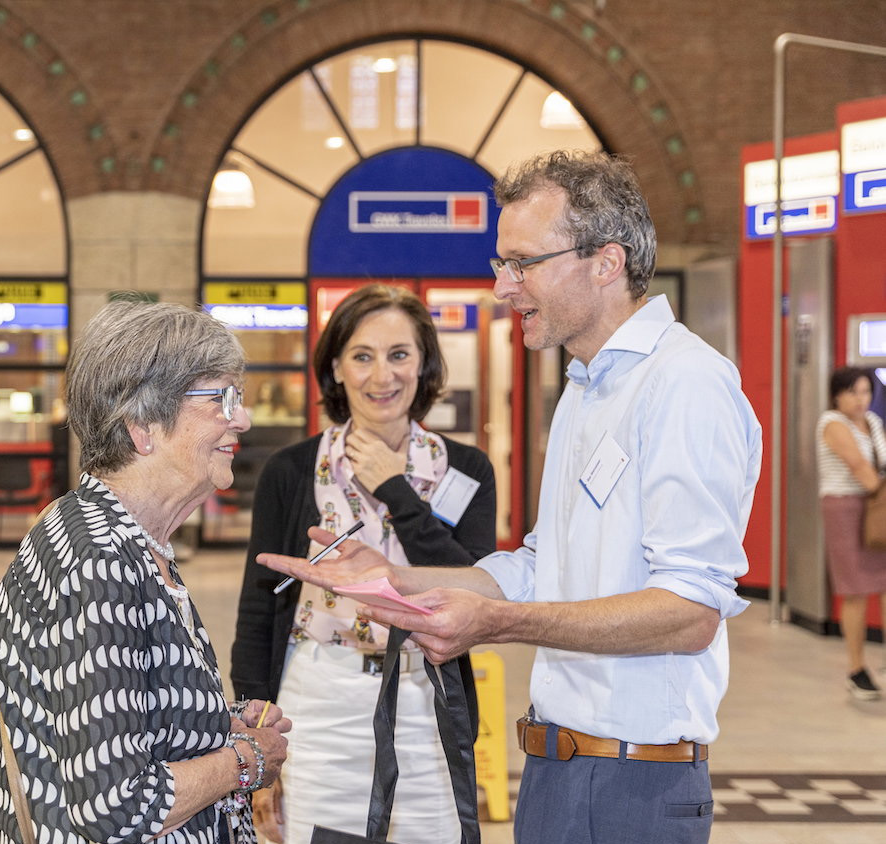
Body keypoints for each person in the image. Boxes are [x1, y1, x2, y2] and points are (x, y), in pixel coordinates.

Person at [259, 150, 763, 844]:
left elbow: (688, 612)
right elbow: (535, 567)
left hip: (631, 785)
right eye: (503, 264)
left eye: (522, 263)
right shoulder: (587, 391)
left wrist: (495, 623)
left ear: (606, 262)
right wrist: (395, 577)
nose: (503, 287)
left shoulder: (685, 386)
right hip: (558, 769)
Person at [0, 301, 290, 843]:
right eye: (220, 398)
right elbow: (116, 805)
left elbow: (124, 713)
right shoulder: (98, 561)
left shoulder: (119, 536)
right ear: (143, 426)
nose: (240, 419)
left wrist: (218, 721)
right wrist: (244, 760)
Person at [232, 284, 496, 844]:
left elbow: (481, 595)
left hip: (428, 704)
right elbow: (259, 610)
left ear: (423, 364)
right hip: (319, 706)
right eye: (362, 356)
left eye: (399, 354)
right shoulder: (291, 470)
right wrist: (254, 739)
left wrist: (395, 491)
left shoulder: (467, 470)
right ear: (335, 368)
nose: (383, 376)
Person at [816, 365, 886, 700]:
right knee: (856, 589)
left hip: (875, 509)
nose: (861, 399)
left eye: (865, 392)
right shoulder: (832, 423)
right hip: (845, 509)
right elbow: (860, 467)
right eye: (853, 392)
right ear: (836, 395)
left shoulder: (872, 422)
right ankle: (856, 669)